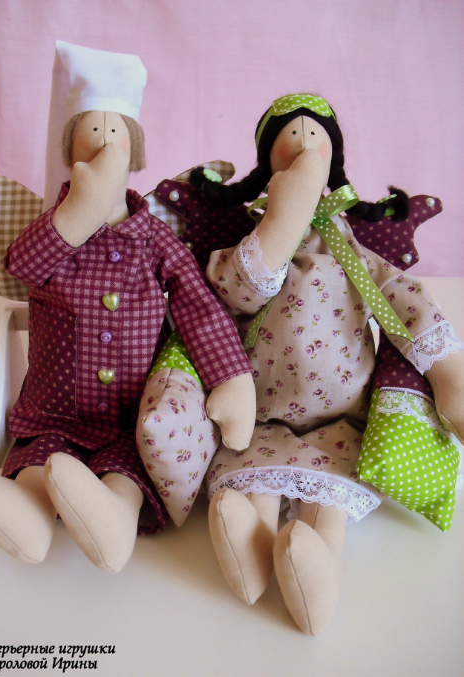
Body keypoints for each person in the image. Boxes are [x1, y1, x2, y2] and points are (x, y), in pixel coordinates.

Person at [0, 42, 255, 574]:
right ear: (69, 147)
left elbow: (198, 306)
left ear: (134, 150)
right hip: (52, 412)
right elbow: (23, 267)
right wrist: (81, 208)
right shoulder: (52, 231)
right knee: (42, 459)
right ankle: (27, 508)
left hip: (128, 416)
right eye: (90, 130)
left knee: (125, 471)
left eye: (112, 130)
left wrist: (230, 379)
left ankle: (114, 515)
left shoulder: (154, 239)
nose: (102, 140)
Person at [190, 93, 464, 634]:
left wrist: (448, 374)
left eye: (314, 136)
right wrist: (280, 221)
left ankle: (316, 564)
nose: (303, 145)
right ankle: (251, 540)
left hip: (341, 419)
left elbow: (404, 301)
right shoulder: (251, 241)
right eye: (289, 138)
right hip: (258, 416)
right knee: (252, 483)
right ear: (267, 161)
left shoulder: (354, 252)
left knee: (327, 503)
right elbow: (233, 292)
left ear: (333, 155)